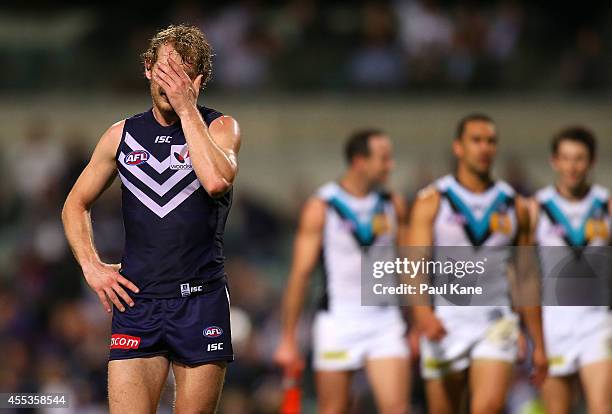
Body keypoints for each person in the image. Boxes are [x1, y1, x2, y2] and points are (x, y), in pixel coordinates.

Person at [62, 25, 241, 413]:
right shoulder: (120, 135)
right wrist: (91, 266)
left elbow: (214, 181)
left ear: (199, 79)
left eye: (181, 73)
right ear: (147, 68)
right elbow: (74, 204)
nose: (169, 83)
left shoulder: (220, 127)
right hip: (137, 303)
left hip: (200, 301)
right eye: (164, 70)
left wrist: (186, 107)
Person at [406, 114, 547, 414]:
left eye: (491, 141)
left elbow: (526, 276)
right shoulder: (433, 201)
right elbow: (414, 264)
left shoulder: (515, 206)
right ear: (458, 147)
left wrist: (537, 340)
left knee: (488, 407)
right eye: (476, 140)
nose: (484, 148)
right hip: (445, 321)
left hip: (495, 321)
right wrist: (421, 314)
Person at [274, 129, 410, 414]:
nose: (391, 166)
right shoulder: (323, 206)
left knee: (397, 408)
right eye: (384, 159)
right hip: (338, 321)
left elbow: (409, 267)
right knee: (334, 409)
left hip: (384, 320)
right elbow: (300, 275)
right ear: (360, 161)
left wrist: (418, 322)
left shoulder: (393, 205)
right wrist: (288, 338)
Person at [531, 126, 611, 414]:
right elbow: (523, 270)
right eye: (566, 158)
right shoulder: (536, 208)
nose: (572, 166)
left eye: (579, 158)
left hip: (596, 322)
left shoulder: (605, 205)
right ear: (554, 161)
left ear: (592, 161)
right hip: (554, 324)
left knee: (602, 408)